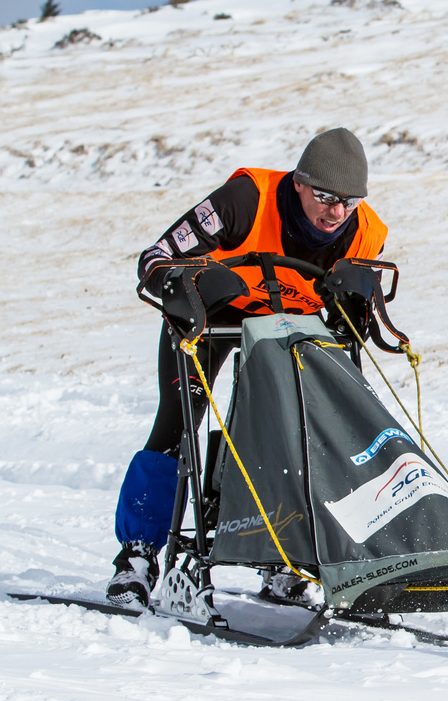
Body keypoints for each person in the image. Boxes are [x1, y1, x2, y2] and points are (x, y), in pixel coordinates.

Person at [107, 128, 389, 608]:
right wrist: (188, 283)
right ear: (299, 182)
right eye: (324, 196)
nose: (336, 212)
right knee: (178, 423)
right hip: (207, 318)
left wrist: (358, 308)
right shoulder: (246, 199)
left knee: (294, 434)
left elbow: (350, 310)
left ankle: (282, 559)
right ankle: (137, 559)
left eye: (349, 201)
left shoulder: (366, 232)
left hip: (281, 324)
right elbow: (154, 259)